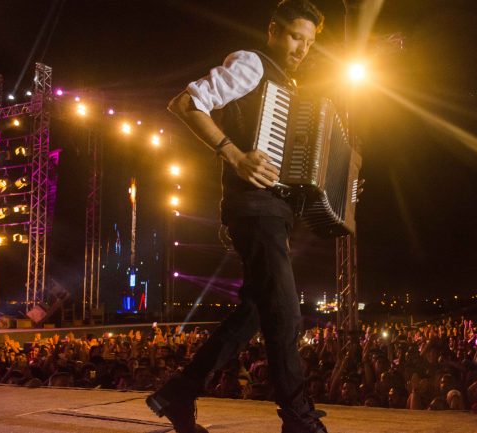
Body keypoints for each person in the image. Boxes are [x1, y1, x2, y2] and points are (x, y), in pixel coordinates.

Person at [145, 1, 327, 433]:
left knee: (256, 312)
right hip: (255, 208)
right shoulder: (252, 64)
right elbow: (185, 104)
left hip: (271, 211)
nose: (301, 48)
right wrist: (234, 154)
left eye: (309, 42)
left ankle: (179, 393)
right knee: (286, 314)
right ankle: (298, 419)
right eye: (295, 36)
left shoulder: (286, 83)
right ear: (273, 30)